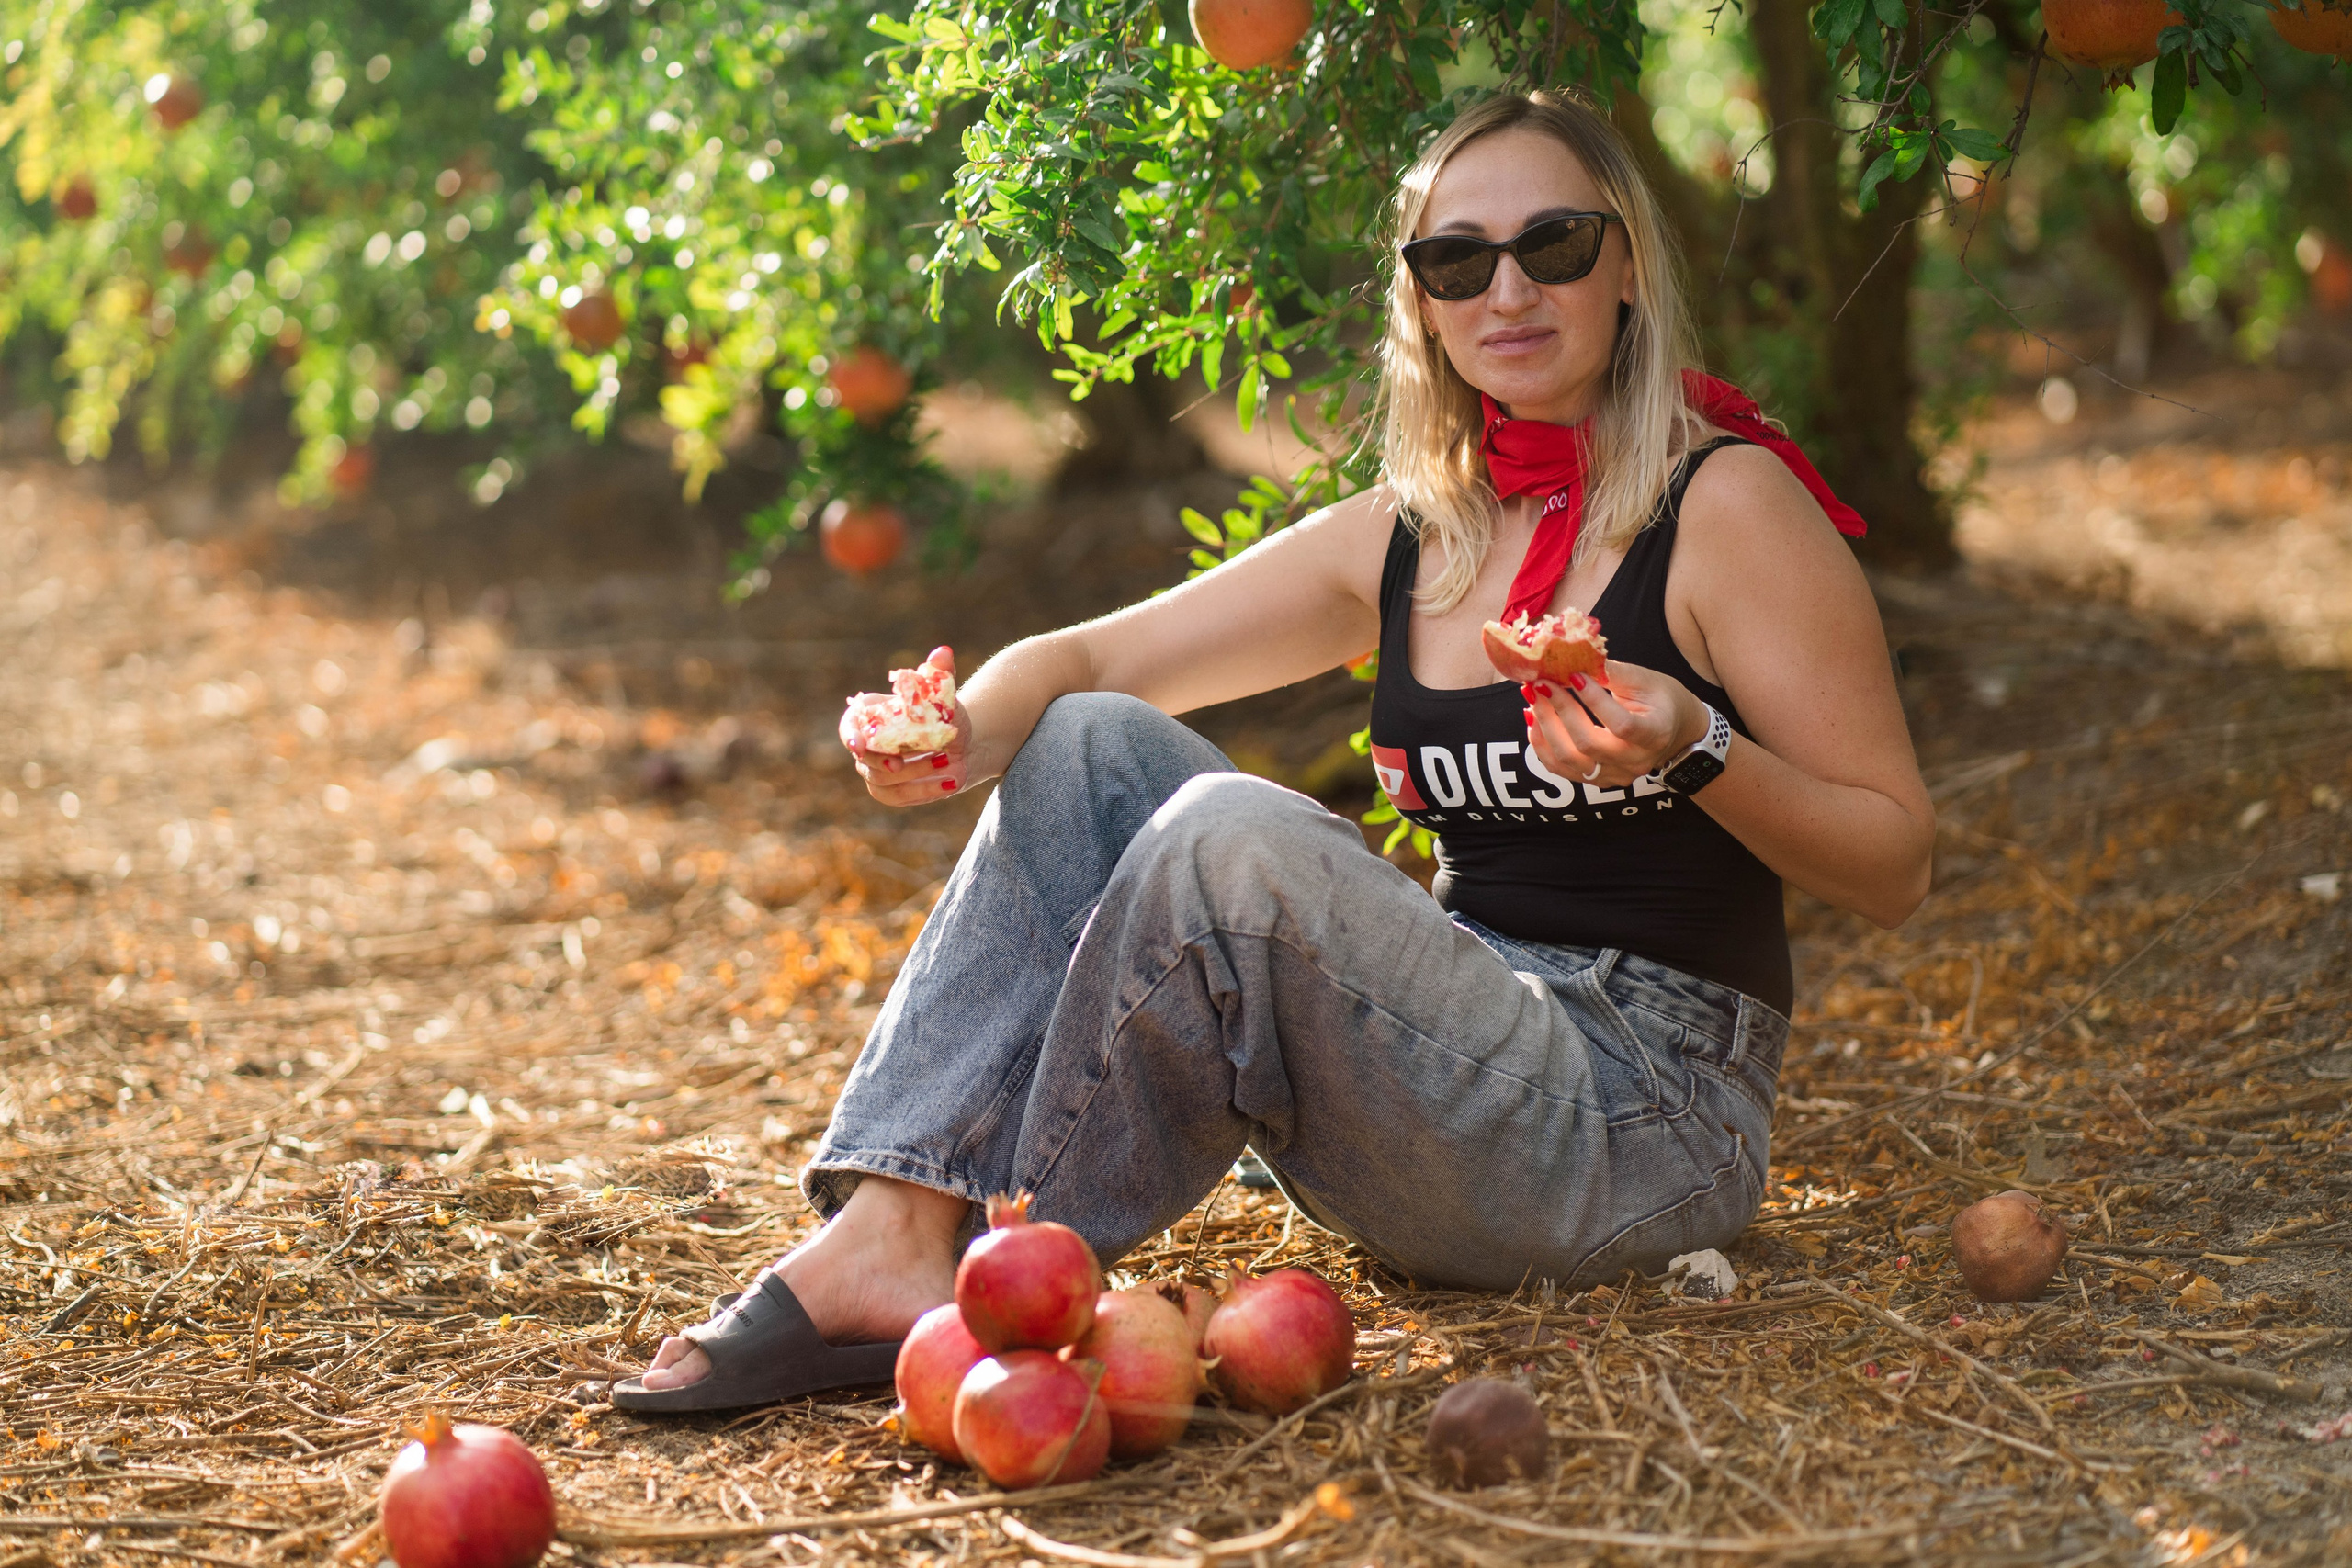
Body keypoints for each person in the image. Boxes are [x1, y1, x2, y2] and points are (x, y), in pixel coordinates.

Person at [614, 89, 1933, 1412]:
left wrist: (1696, 745)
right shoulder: (1419, 533)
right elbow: (1091, 663)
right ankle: (894, 1231)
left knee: (1233, 842)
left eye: (1557, 245)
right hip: (1438, 1077)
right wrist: (961, 729)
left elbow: (1895, 865)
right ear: (1419, 299)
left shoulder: (1727, 505)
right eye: (1457, 260)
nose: (1509, 290)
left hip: (1646, 1117)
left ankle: (992, 1261)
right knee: (1086, 743)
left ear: (1628, 259)